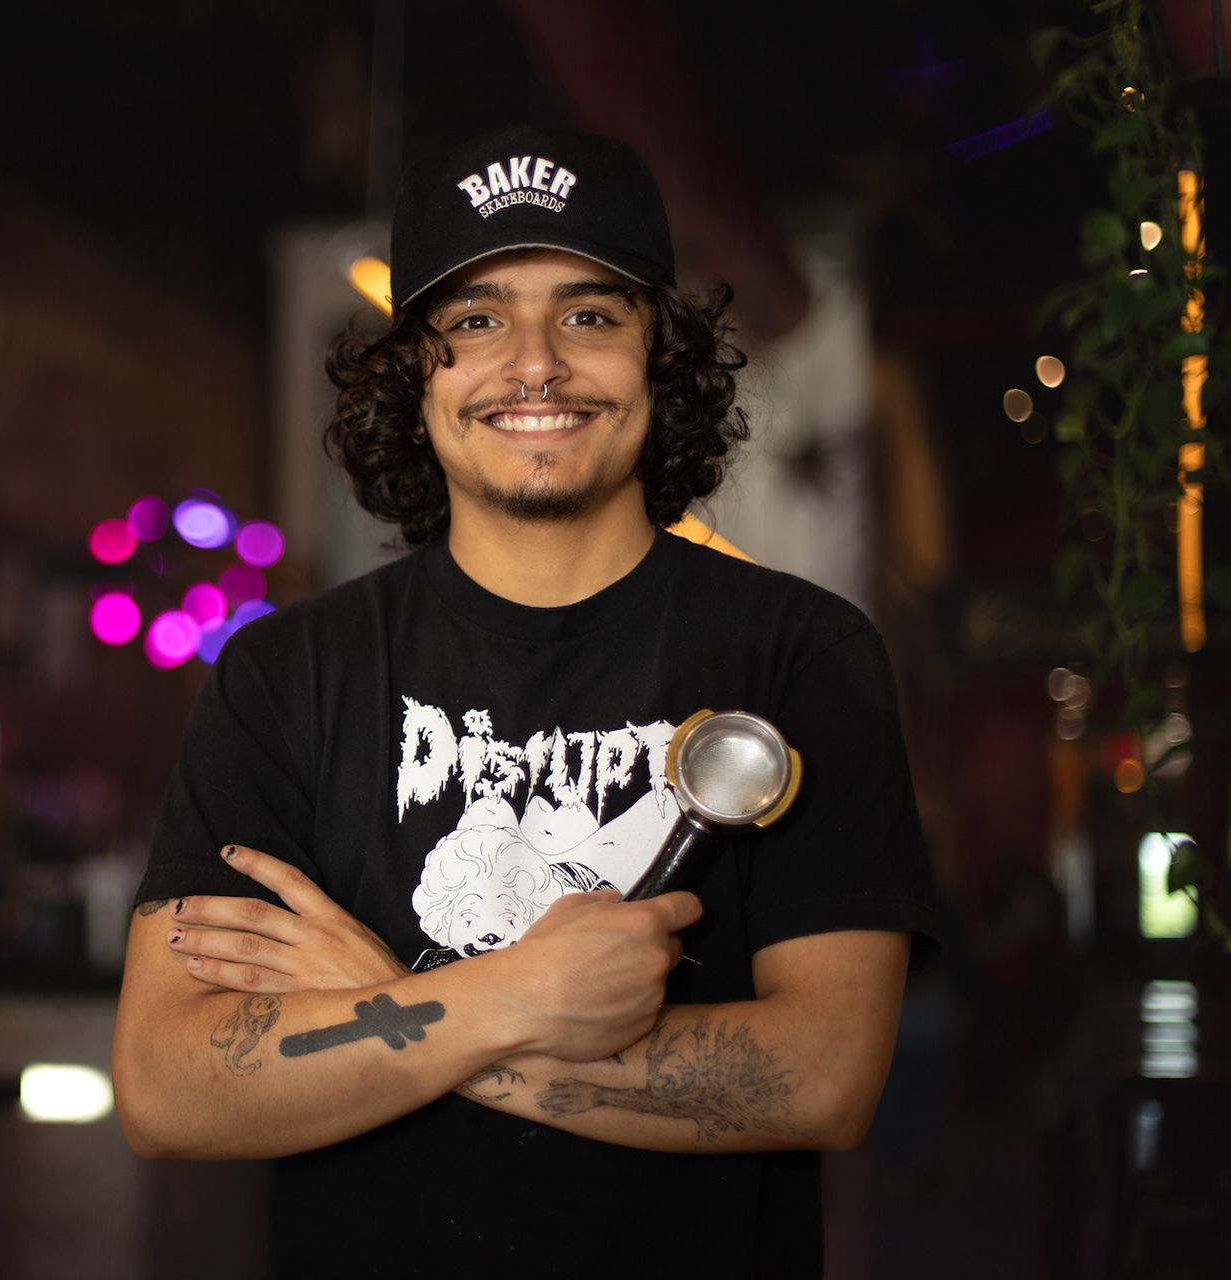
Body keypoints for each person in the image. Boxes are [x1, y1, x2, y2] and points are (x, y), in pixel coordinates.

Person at [111, 125, 940, 1278]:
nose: (536, 363)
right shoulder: (285, 677)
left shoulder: (801, 655)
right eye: (477, 319)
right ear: (414, 373)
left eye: (591, 314)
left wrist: (397, 1006)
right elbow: (168, 1083)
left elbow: (821, 1075)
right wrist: (513, 994)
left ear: (662, 356)